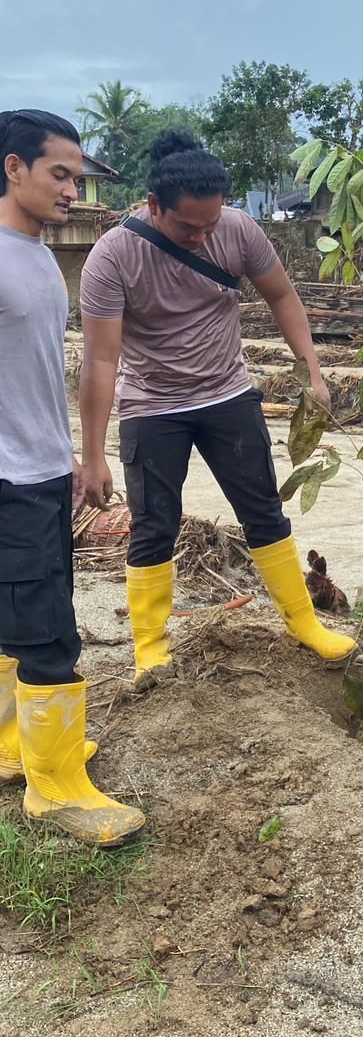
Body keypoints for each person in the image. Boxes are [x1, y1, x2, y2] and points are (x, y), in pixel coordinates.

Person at [79, 130, 356, 687]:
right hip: (152, 406)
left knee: (263, 513)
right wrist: (92, 455)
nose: (204, 239)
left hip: (228, 396)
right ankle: (151, 647)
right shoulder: (111, 258)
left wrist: (313, 373)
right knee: (154, 527)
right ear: (154, 205)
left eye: (212, 224)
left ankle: (303, 622)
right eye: (188, 228)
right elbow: (102, 362)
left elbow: (281, 296)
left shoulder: (238, 229)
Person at [0, 109, 144, 843]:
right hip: (9, 479)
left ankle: (11, 745)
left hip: (42, 468)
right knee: (49, 629)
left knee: (19, 616)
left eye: (76, 175)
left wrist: (84, 457)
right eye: (60, 173)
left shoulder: (36, 254)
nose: (73, 187)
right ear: (13, 168)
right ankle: (54, 788)